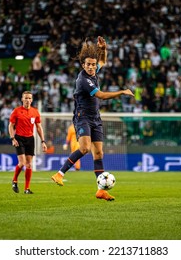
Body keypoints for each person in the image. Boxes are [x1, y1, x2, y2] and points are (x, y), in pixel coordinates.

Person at [51, 36, 134, 201]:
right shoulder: (83, 80)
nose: (91, 67)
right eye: (88, 64)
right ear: (83, 65)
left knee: (99, 153)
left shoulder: (94, 72)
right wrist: (122, 92)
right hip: (83, 118)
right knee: (84, 148)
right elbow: (101, 96)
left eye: (93, 64)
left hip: (96, 118)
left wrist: (103, 49)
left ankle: (101, 190)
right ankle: (59, 174)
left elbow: (102, 61)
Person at [9, 91, 47, 194]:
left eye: (29, 98)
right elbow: (11, 126)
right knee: (22, 163)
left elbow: (39, 127)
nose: (28, 100)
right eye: (26, 98)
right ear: (22, 99)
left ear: (32, 100)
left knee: (29, 165)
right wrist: (13, 138)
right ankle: (14, 180)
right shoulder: (16, 111)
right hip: (19, 138)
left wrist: (43, 141)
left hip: (30, 139)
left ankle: (27, 189)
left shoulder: (35, 112)